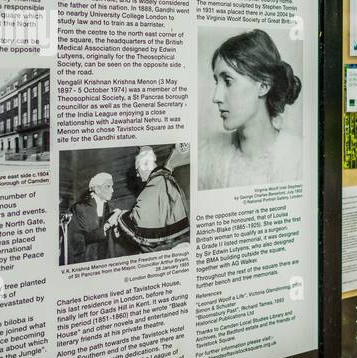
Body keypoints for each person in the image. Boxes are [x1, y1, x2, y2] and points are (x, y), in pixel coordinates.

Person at [198, 29, 303, 190]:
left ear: (263, 86)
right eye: (216, 82)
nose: (216, 97)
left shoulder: (300, 159)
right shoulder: (207, 157)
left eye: (228, 81)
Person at [106, 146, 190, 253]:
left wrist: (120, 215)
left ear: (145, 165)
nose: (137, 174)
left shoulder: (154, 184)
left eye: (137, 170)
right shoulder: (164, 179)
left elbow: (138, 224)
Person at [65, 172, 118, 265]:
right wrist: (106, 226)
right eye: (108, 186)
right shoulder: (79, 208)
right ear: (97, 189)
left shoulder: (109, 208)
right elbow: (77, 241)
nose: (112, 190)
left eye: (112, 186)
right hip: (85, 261)